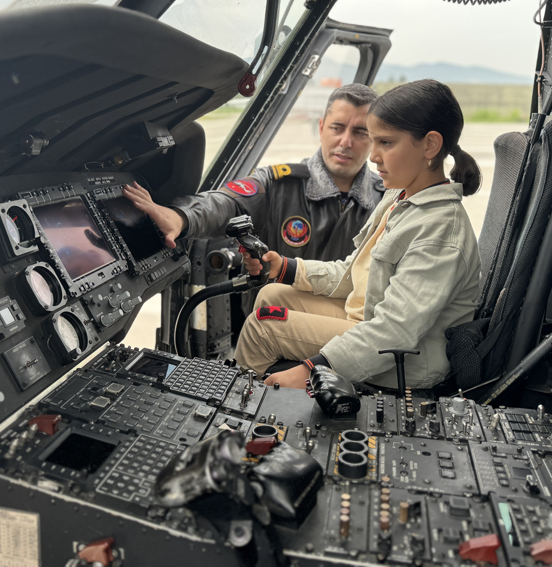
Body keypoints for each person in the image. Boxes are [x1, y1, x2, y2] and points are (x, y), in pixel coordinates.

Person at [235, 79, 482, 391]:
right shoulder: (399, 198)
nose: (374, 156)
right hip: (367, 317)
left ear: (430, 145)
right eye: (374, 141)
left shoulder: (440, 231)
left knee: (263, 327)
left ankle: (238, 405)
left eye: (386, 143)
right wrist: (286, 268)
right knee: (272, 294)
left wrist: (313, 369)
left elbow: (394, 332)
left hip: (406, 363)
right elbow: (354, 274)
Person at [122, 84, 383, 263]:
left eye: (360, 132)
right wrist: (182, 217)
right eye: (337, 128)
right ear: (322, 128)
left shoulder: (388, 201)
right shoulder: (278, 184)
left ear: (374, 137)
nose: (346, 142)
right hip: (275, 323)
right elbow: (225, 203)